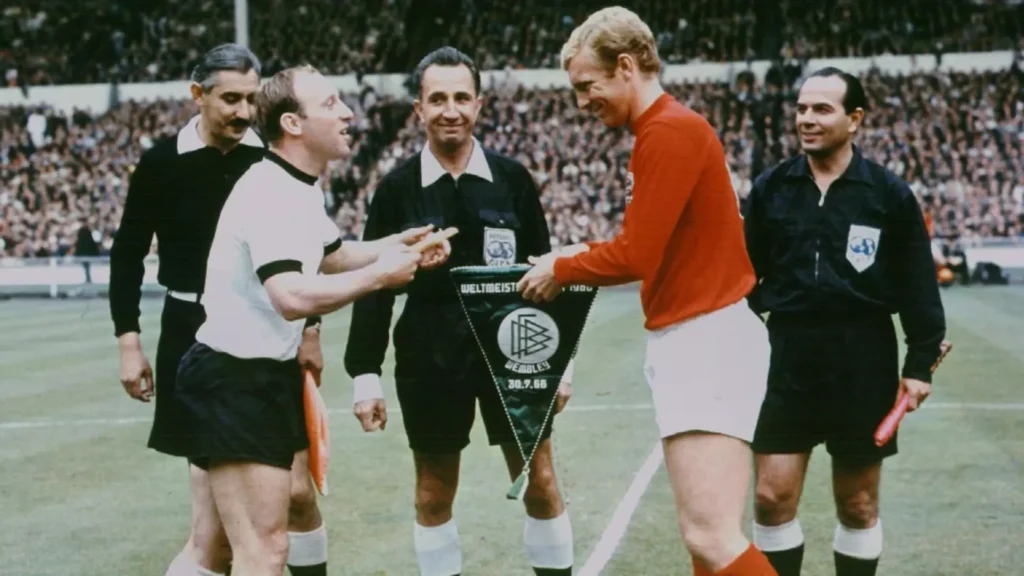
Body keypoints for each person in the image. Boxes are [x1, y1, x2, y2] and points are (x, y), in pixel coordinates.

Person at [517, 7, 777, 576]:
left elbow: (635, 255)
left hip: (703, 338)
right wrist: (571, 255)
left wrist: (561, 269)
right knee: (710, 541)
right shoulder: (661, 131)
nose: (582, 101)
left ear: (627, 67)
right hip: (706, 335)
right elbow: (648, 241)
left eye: (588, 85)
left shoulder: (668, 131)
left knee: (708, 537)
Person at [172, 64, 450, 576]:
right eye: (330, 104)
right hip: (234, 379)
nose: (347, 112)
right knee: (266, 549)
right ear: (293, 125)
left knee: (210, 549)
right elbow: (291, 296)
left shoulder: (295, 185)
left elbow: (333, 254)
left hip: (244, 375)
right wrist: (383, 276)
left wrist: (399, 243)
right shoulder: (270, 192)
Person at [343, 46, 576, 576]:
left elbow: (548, 275)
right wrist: (364, 376)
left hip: (514, 348)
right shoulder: (397, 188)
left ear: (480, 106)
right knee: (432, 492)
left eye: (461, 98)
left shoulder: (513, 179)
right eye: (438, 99)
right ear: (418, 111)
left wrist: (562, 366)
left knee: (540, 481)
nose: (451, 109)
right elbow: (374, 286)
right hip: (430, 353)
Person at [109, 44, 338, 576]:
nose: (242, 111)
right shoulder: (162, 163)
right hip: (192, 333)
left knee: (299, 494)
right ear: (198, 95)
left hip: (270, 327)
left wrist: (311, 331)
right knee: (214, 531)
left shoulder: (272, 157)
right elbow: (127, 253)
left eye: (250, 99)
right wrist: (128, 341)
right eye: (230, 99)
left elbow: (310, 250)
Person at [741, 67, 946, 576]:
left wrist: (919, 363)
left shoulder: (888, 194)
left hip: (863, 357)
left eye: (821, 109)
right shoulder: (772, 188)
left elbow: (920, 287)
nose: (806, 119)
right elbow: (742, 277)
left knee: (857, 504)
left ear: (854, 119)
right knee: (770, 497)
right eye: (802, 109)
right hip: (785, 356)